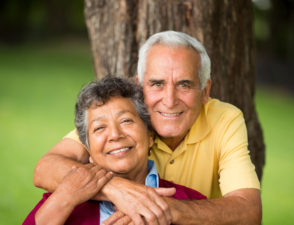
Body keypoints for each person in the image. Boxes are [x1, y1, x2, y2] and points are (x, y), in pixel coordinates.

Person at [33, 31, 262, 224]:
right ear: (139, 87)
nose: (169, 100)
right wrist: (119, 191)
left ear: (205, 91)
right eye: (157, 84)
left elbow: (248, 210)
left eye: (184, 84)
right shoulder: (121, 121)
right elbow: (46, 168)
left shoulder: (224, 120)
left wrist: (162, 209)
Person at [23, 77, 206, 225]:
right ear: (89, 150)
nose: (115, 135)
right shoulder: (65, 199)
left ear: (150, 136)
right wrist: (64, 198)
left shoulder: (190, 203)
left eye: (126, 121)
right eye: (99, 128)